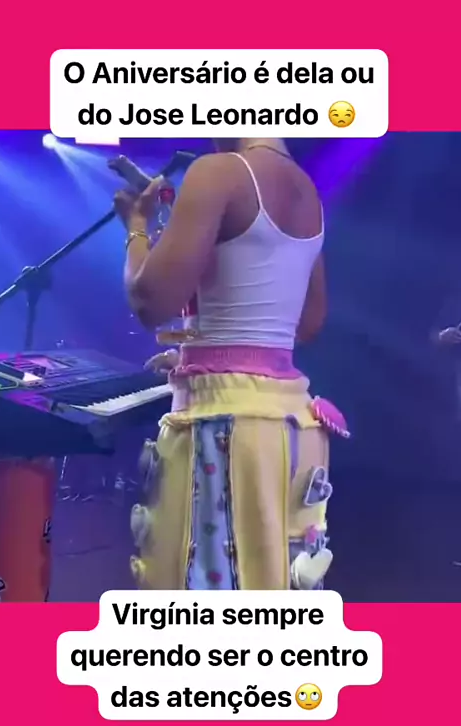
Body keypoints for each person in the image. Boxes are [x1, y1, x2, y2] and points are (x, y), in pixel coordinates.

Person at [114, 138, 349, 590]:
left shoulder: (218, 171)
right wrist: (203, 352)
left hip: (225, 428)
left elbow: (150, 301)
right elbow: (307, 322)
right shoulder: (306, 190)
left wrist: (137, 227)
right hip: (291, 426)